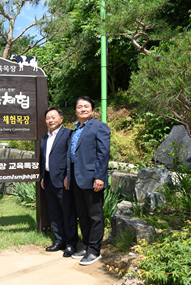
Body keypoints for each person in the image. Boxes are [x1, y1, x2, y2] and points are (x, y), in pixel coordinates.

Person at [66, 96, 110, 266]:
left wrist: (99, 177)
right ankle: (85, 246)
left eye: (86, 106)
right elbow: (72, 157)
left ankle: (94, 251)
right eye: (79, 106)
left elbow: (103, 153)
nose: (83, 109)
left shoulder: (99, 127)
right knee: (83, 215)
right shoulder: (76, 130)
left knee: (95, 215)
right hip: (77, 179)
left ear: (92, 110)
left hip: (93, 179)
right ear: (76, 111)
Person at [40, 106, 78, 257]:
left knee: (67, 212)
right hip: (48, 179)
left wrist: (69, 176)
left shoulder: (68, 134)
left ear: (61, 118)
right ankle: (59, 240)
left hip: (63, 180)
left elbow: (71, 157)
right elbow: (44, 159)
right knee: (54, 212)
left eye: (53, 117)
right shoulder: (45, 137)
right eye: (48, 117)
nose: (50, 120)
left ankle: (71, 243)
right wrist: (43, 176)